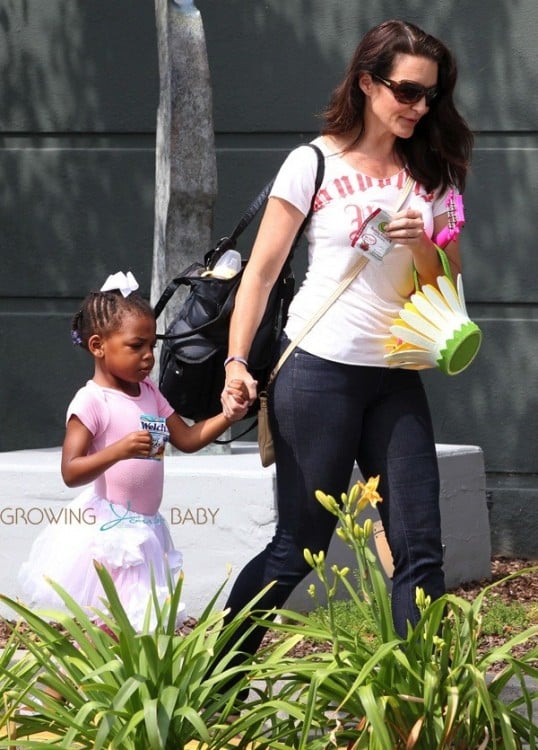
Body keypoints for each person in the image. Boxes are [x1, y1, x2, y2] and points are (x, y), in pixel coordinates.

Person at [220, 18, 474, 652]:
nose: (420, 107)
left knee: (420, 553)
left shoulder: (434, 177)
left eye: (431, 95)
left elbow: (446, 289)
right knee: (298, 551)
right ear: (367, 83)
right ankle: (216, 687)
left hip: (396, 377)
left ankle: (418, 709)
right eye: (407, 91)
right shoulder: (313, 162)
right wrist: (235, 362)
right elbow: (259, 274)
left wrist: (422, 249)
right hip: (317, 370)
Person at [19, 271, 249, 632]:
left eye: (152, 346)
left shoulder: (150, 395)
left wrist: (228, 415)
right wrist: (119, 450)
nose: (148, 357)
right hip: (111, 534)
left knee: (136, 626)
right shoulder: (92, 401)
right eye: (136, 346)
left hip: (147, 531)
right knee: (108, 628)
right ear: (98, 346)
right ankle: (59, 691)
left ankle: (116, 688)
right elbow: (71, 471)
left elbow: (186, 439)